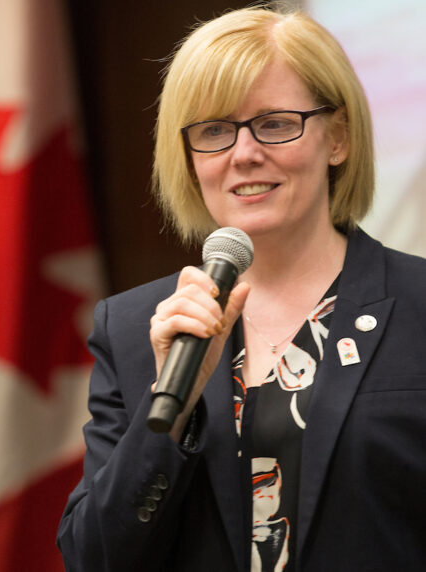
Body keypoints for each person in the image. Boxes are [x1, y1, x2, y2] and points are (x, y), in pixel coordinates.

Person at [57, 4, 426, 571]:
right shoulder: (136, 328)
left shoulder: (420, 305)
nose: (244, 153)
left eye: (275, 123)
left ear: (339, 140)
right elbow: (94, 558)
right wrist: (169, 411)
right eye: (213, 131)